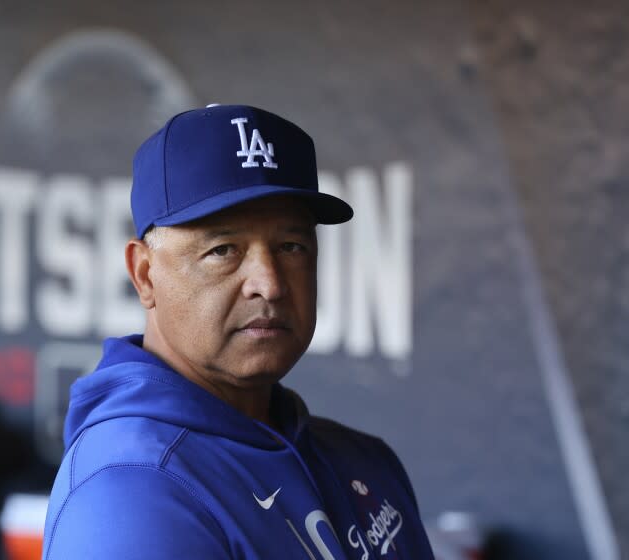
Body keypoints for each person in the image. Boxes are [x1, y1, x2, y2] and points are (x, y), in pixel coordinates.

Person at [42, 104, 434, 559]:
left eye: (291, 246)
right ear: (146, 275)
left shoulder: (359, 459)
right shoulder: (131, 496)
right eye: (223, 249)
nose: (269, 282)